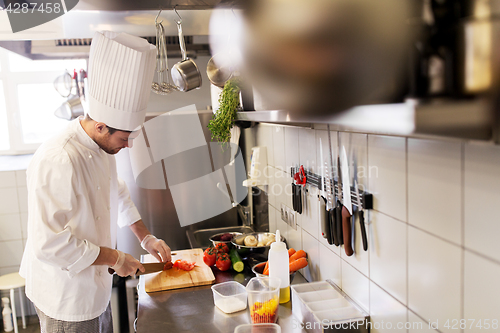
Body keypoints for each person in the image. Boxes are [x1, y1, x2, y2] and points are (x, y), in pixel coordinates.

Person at [19, 31, 170, 333]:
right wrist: (115, 257)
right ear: (101, 126)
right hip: (66, 298)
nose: (127, 147)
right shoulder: (58, 158)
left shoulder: (102, 147)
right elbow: (47, 244)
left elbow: (119, 192)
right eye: (124, 139)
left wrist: (145, 238)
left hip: (97, 289)